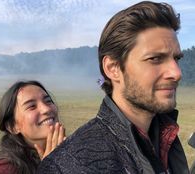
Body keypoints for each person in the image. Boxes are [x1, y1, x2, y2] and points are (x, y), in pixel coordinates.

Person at [38, 1, 190, 174]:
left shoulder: (165, 137)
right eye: (155, 59)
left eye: (176, 59)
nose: (176, 73)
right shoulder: (70, 165)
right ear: (112, 68)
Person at [0, 80, 66, 174]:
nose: (46, 109)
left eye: (48, 101)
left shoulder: (72, 151)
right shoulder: (0, 170)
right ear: (12, 127)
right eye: (32, 106)